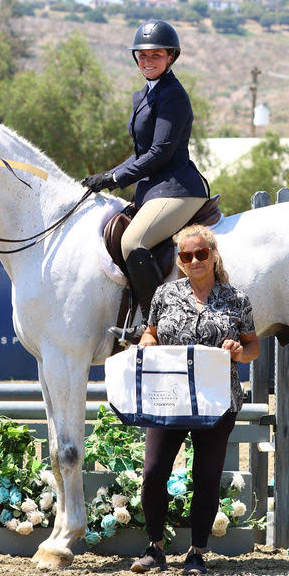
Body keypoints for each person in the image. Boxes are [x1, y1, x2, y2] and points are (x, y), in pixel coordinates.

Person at [129, 225, 260, 576]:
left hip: (216, 402)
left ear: (214, 255)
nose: (194, 260)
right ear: (180, 260)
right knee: (154, 472)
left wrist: (237, 352)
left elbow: (253, 346)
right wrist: (147, 343)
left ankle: (197, 553)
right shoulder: (164, 295)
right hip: (169, 399)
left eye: (201, 253)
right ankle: (155, 548)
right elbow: (150, 332)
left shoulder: (237, 299)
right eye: (186, 256)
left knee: (206, 477)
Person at [82, 20, 209, 343]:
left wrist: (114, 177)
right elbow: (141, 152)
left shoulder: (173, 95)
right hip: (154, 190)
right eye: (142, 55)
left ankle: (161, 324)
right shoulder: (144, 95)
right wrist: (107, 177)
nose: (148, 60)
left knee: (132, 243)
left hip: (179, 188)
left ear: (170, 57)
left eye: (156, 55)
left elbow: (160, 153)